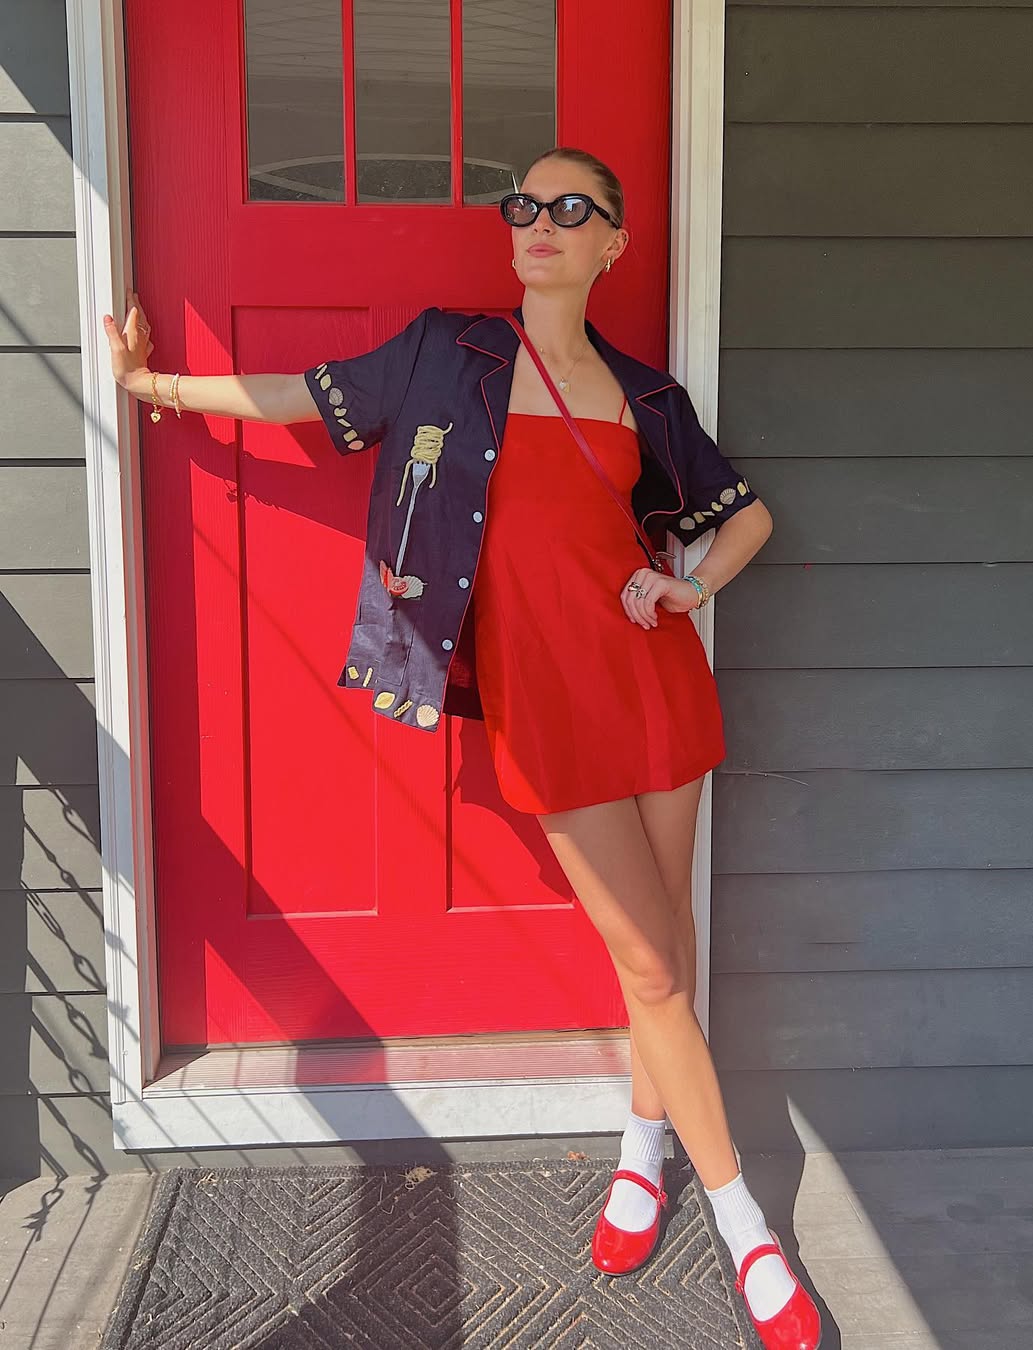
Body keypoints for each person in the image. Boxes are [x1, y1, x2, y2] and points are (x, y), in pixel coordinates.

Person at [104, 145, 821, 1350]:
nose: (538, 222)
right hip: (548, 703)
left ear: (613, 247)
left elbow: (747, 519)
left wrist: (686, 584)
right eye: (523, 205)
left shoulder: (647, 398)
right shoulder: (451, 351)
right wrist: (157, 388)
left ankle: (642, 1155)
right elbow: (306, 397)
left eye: (569, 209)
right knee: (649, 968)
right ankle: (749, 1225)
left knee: (668, 956)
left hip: (656, 687)